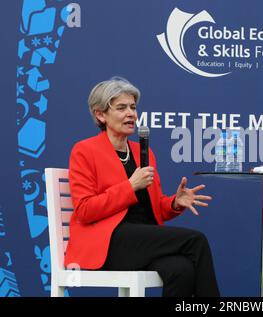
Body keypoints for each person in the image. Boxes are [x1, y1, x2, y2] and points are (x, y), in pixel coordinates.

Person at [65, 77, 220, 297]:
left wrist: (174, 203)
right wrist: (129, 186)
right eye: (121, 108)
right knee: (196, 240)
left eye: (133, 107)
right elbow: (85, 210)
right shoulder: (85, 151)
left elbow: (153, 209)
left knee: (181, 270)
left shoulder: (143, 153)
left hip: (142, 240)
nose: (131, 114)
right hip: (108, 244)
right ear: (100, 115)